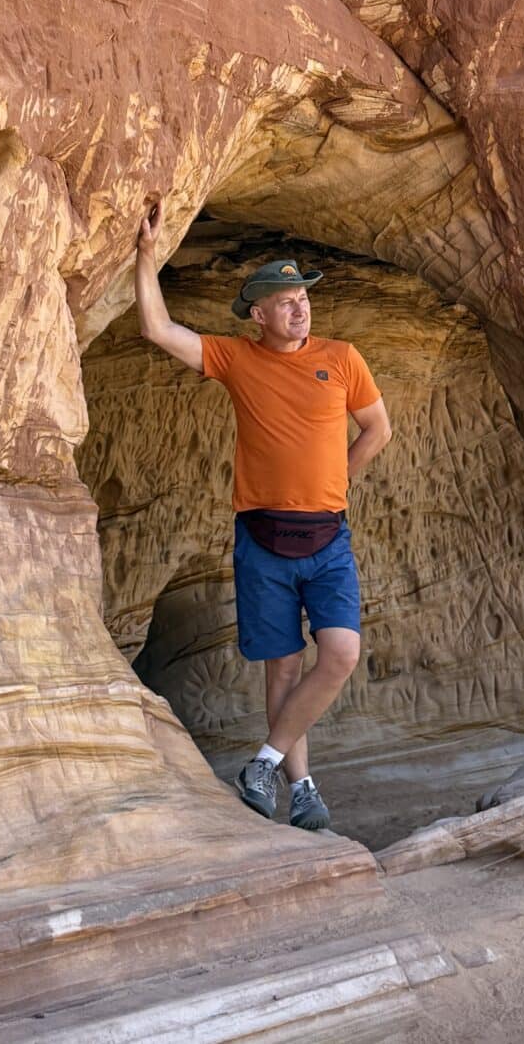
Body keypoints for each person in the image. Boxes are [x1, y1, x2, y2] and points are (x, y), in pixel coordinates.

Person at [134, 198, 392, 832]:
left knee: (339, 654)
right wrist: (146, 260)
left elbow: (377, 429)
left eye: (303, 296)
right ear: (259, 314)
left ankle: (265, 761)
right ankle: (300, 788)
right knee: (283, 665)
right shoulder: (237, 358)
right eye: (285, 300)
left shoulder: (344, 356)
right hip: (263, 540)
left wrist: (337, 481)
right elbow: (158, 331)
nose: (300, 305)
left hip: (328, 536)